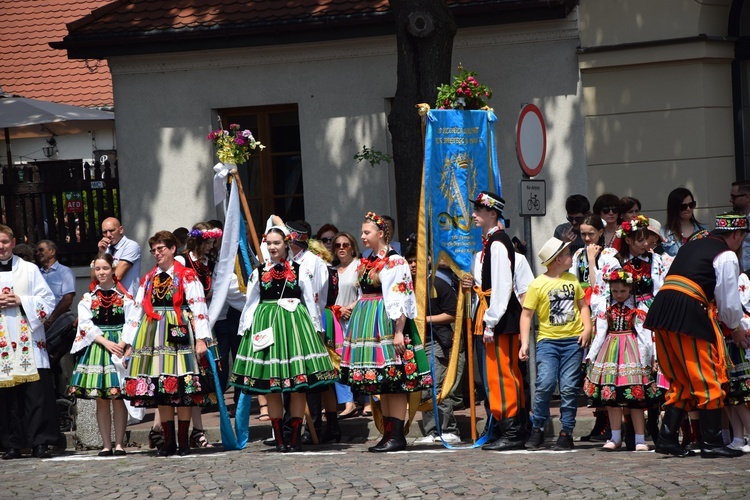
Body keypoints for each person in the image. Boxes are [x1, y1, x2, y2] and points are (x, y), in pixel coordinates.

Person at [644, 212, 749, 458]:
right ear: (736, 235)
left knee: (680, 378)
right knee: (707, 376)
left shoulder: (693, 245)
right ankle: (711, 442)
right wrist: (734, 326)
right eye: (742, 238)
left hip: (663, 310)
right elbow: (729, 304)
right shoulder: (725, 255)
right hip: (689, 312)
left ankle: (667, 438)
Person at [230, 225, 337, 452]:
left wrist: (317, 330)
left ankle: (295, 436)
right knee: (273, 386)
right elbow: (250, 305)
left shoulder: (300, 271)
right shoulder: (258, 272)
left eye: (276, 243)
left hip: (295, 328)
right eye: (269, 243)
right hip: (267, 325)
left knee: (297, 386)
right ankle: (280, 438)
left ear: (286, 244)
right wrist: (245, 331)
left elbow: (310, 301)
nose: (272, 247)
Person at [340, 212, 432, 452]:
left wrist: (399, 331)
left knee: (395, 380)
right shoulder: (367, 260)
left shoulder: (395, 261)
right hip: (369, 322)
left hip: (387, 323)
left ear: (380, 234)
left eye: (367, 232)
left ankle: (397, 435)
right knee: (385, 383)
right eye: (362, 232)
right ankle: (390, 433)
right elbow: (363, 293)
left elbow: (401, 297)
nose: (362, 236)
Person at [121, 230, 218, 457]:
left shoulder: (186, 276)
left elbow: (199, 307)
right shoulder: (148, 279)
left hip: (180, 333)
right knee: (160, 389)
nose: (157, 253)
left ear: (173, 249)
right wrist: (128, 342)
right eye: (154, 250)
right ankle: (169, 441)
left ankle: (183, 441)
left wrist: (202, 339)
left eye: (161, 249)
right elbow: (136, 310)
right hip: (152, 336)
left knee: (183, 387)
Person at [461, 192, 526, 451]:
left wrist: (490, 321)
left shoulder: (498, 244)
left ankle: (512, 430)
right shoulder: (491, 243)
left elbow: (501, 285)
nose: (474, 214)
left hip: (499, 316)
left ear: (493, 213)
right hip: (495, 314)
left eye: (479, 210)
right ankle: (508, 426)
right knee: (499, 373)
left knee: (502, 374)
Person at [520, 236, 592, 451]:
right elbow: (526, 315)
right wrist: (525, 343)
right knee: (544, 384)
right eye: (568, 254)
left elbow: (583, 306)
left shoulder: (572, 280)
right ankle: (538, 429)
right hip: (548, 342)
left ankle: (566, 432)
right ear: (557, 259)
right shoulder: (537, 284)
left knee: (569, 388)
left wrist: (587, 328)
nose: (571, 257)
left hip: (572, 342)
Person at [583, 269, 660, 451]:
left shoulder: (637, 310)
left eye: (623, 291)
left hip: (631, 352)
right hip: (610, 352)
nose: (618, 295)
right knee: (612, 399)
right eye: (615, 291)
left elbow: (644, 336)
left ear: (630, 290)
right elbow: (600, 334)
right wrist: (591, 356)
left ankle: (640, 439)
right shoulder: (606, 309)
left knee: (636, 398)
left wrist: (649, 359)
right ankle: (615, 437)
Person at [0, 225, 58, 460]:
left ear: (13, 243)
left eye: (4, 241)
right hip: (3, 347)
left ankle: (40, 442)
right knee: (7, 399)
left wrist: (21, 300)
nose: (1, 246)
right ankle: (11, 444)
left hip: (29, 344)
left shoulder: (30, 270)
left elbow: (48, 300)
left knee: (36, 396)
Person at [69, 252, 135, 456]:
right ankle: (106, 444)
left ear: (113, 269)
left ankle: (119, 444)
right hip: (99, 347)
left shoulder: (124, 297)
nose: (102, 272)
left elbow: (133, 321)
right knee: (102, 398)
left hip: (119, 346)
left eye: (105, 268)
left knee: (119, 396)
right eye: (98, 269)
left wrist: (122, 343)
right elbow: (86, 325)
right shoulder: (88, 298)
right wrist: (107, 342)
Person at [175, 222, 223, 449]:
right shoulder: (181, 261)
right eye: (207, 241)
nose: (211, 245)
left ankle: (198, 430)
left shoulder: (209, 263)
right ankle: (159, 428)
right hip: (183, 321)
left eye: (213, 241)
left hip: (202, 321)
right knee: (180, 376)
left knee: (199, 378)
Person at [407, 248, 461, 445]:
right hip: (414, 343)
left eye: (417, 260)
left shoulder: (438, 283)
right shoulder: (405, 287)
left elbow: (452, 313)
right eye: (410, 261)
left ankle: (448, 429)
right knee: (423, 388)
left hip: (435, 341)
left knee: (437, 385)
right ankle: (431, 431)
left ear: (428, 260)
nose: (413, 264)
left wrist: (425, 319)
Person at [332, 232, 361, 419]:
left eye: (346, 244)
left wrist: (350, 307)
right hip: (337, 320)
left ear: (352, 247)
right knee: (339, 362)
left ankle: (368, 402)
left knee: (360, 359)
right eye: (338, 245)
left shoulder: (359, 266)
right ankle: (348, 402)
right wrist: (338, 309)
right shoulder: (331, 270)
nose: (342, 248)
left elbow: (365, 292)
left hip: (357, 317)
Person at [36, 240, 76, 331]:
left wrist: (50, 320)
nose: (38, 253)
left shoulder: (65, 272)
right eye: (37, 251)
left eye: (41, 250)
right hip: (39, 322)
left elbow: (67, 299)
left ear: (52, 251)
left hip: (59, 321)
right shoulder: (36, 273)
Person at [98, 217, 142, 297]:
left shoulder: (131, 245)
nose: (108, 235)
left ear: (121, 230)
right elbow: (94, 277)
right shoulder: (106, 249)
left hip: (127, 299)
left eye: (111, 231)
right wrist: (101, 253)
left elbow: (117, 275)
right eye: (105, 232)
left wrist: (100, 272)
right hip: (108, 299)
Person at [660, 187, 705, 257]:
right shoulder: (663, 233)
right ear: (674, 208)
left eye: (691, 204)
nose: (688, 209)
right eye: (683, 206)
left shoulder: (704, 230)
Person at [730, 180, 750, 271]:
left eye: (734, 197)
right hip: (741, 277)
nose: (731, 200)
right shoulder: (733, 220)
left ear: (747, 197)